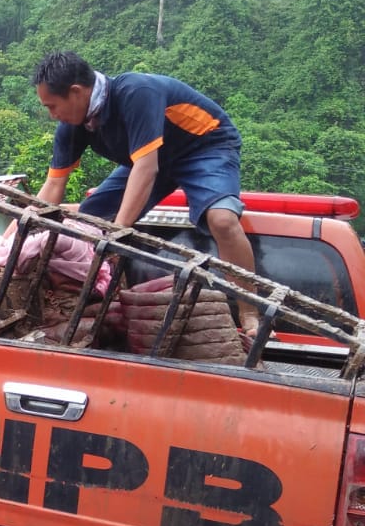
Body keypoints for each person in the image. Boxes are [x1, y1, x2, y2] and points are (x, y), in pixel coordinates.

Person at [31, 50, 257, 334]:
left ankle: (251, 313)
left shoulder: (136, 92)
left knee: (222, 220)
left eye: (52, 106)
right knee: (86, 225)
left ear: (76, 92)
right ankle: (92, 299)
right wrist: (23, 230)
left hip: (204, 147)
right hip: (150, 159)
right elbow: (53, 185)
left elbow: (146, 169)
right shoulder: (74, 125)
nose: (52, 116)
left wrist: (117, 231)